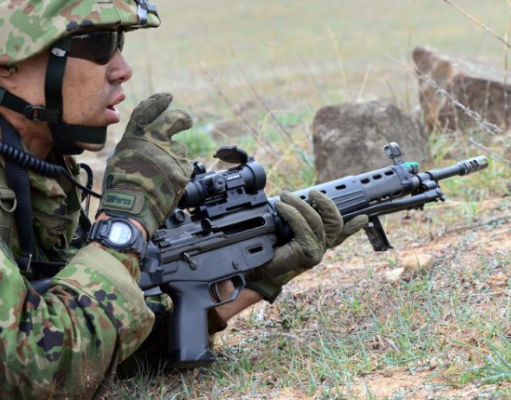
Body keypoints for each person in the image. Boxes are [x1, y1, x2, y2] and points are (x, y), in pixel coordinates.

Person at [0, 1, 368, 398]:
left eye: (119, 42)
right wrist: (125, 224)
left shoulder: (38, 170)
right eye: (98, 43)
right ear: (8, 65)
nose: (123, 68)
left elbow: (95, 348)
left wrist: (247, 280)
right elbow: (37, 373)